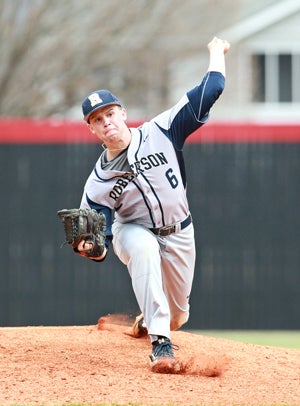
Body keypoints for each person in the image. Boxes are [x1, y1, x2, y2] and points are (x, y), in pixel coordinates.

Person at [77, 37, 230, 373]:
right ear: (92, 130)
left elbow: (214, 85)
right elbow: (96, 241)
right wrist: (91, 246)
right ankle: (161, 345)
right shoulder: (97, 183)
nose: (107, 122)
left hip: (179, 232)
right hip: (132, 231)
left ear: (123, 113)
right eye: (98, 120)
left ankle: (153, 322)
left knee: (178, 315)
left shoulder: (162, 129)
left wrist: (216, 52)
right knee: (143, 248)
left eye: (110, 113)